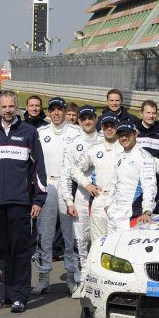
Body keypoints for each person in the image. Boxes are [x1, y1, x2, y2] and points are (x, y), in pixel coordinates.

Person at [0, 90, 45, 313]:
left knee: (20, 251)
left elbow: (38, 168)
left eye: (11, 106)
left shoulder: (29, 132)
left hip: (20, 202)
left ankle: (19, 296)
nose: (7, 110)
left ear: (17, 107)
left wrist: (38, 199)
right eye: (3, 106)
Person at [59, 107, 112, 296]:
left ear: (96, 119)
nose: (87, 122)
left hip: (104, 198)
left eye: (90, 118)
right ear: (79, 121)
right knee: (78, 241)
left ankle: (99, 281)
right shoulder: (74, 143)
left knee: (100, 242)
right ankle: (80, 281)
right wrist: (68, 201)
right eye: (83, 119)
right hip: (81, 197)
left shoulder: (105, 139)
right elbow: (66, 174)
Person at [33, 97, 80, 295]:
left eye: (60, 109)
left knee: (71, 236)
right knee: (44, 235)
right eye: (53, 110)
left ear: (64, 111)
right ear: (49, 112)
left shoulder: (76, 132)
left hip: (69, 187)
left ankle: (72, 278)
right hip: (47, 187)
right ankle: (43, 278)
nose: (57, 113)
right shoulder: (40, 132)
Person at [106, 122, 159, 232]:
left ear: (135, 134)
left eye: (127, 135)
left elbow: (150, 187)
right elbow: (114, 184)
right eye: (121, 135)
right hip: (113, 216)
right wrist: (108, 205)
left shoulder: (144, 157)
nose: (124, 138)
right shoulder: (119, 157)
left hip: (129, 217)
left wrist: (147, 211)